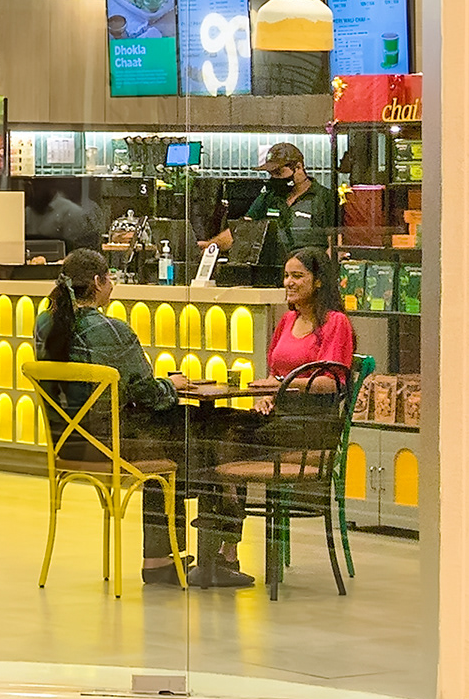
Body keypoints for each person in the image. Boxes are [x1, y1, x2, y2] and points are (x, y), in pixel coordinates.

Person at [36, 247, 251, 590]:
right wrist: (171, 385)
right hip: (115, 445)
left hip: (72, 443)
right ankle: (217, 556)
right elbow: (147, 392)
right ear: (98, 282)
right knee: (209, 436)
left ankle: (161, 560)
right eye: (110, 279)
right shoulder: (113, 330)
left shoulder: (45, 323)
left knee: (169, 453)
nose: (112, 286)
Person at [236, 143, 329, 281]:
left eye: (279, 173)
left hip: (306, 278)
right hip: (270, 274)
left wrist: (321, 277)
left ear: (298, 167)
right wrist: (211, 245)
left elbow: (336, 245)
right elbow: (243, 230)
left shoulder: (324, 198)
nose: (274, 178)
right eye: (271, 174)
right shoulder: (269, 197)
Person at [266, 248, 361, 380]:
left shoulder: (336, 321)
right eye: (286, 276)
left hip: (312, 394)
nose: (288, 283)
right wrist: (267, 391)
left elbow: (331, 382)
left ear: (318, 281)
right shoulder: (287, 319)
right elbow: (273, 373)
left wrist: (283, 384)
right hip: (279, 393)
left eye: (297, 276)